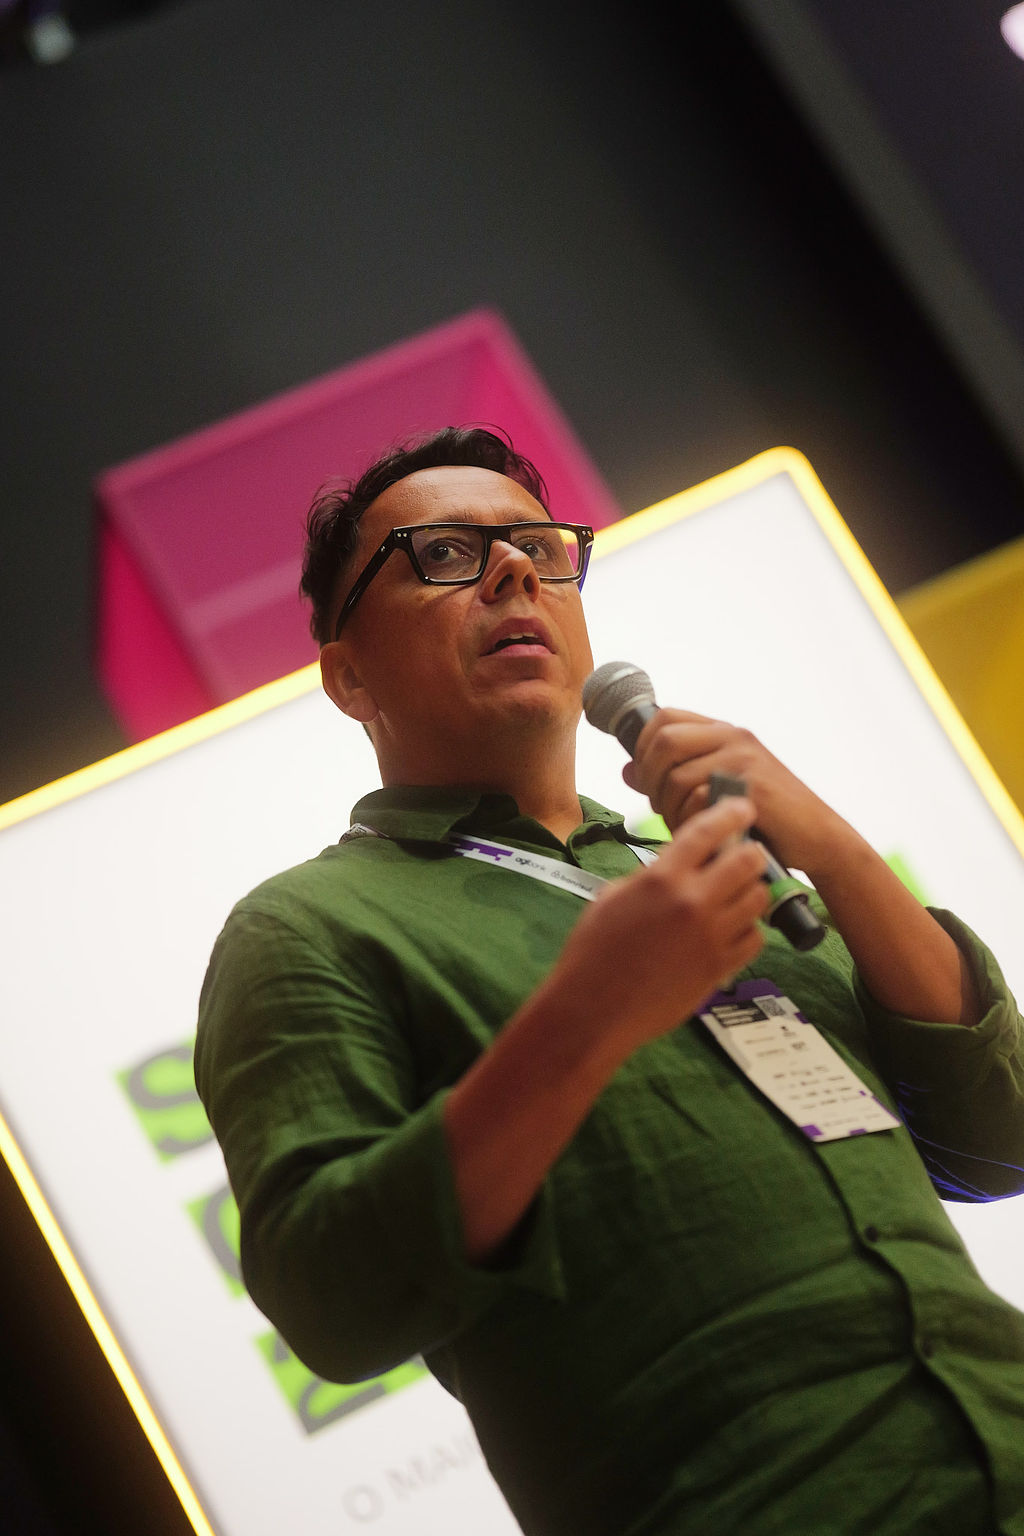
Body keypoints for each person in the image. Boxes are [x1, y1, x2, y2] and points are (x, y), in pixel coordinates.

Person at [195, 425, 1024, 1536]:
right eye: (444, 554)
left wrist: (830, 845)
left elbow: (999, 1141)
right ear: (350, 677)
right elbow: (333, 1301)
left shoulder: (709, 873)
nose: (512, 570)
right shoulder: (310, 927)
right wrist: (589, 1014)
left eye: (540, 548)